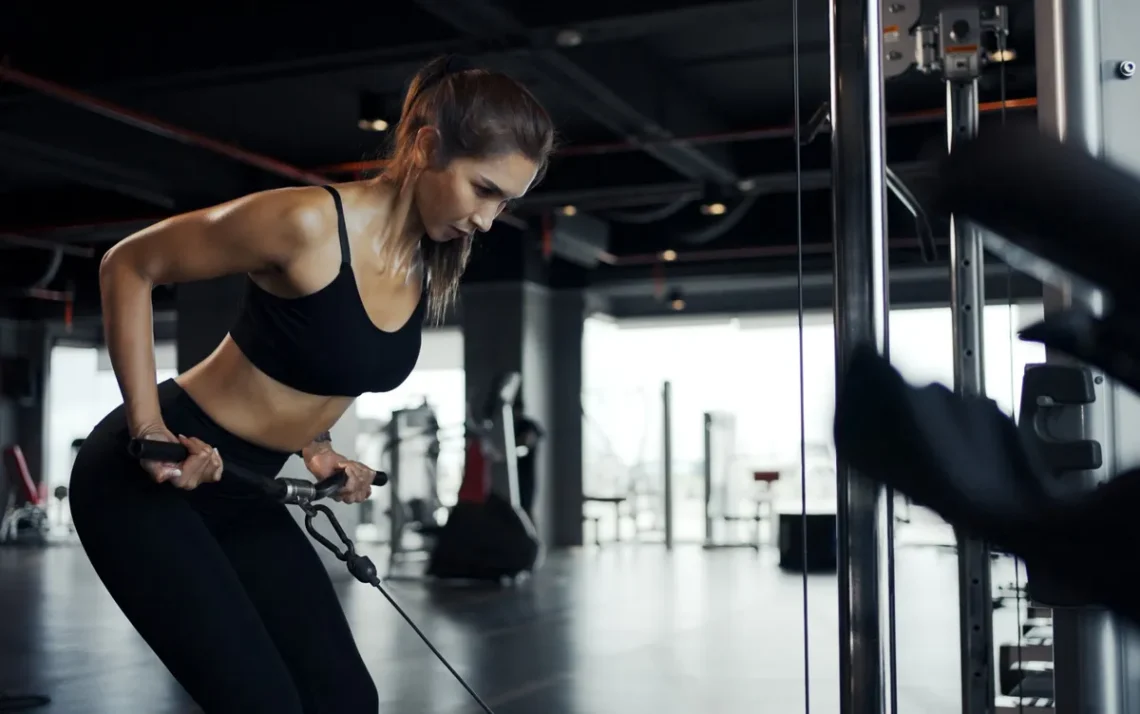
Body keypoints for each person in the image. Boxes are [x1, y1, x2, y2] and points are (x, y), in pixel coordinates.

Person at [67, 55, 555, 714]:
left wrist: (316, 445)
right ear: (426, 144)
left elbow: (317, 359)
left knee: (344, 700)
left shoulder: (421, 261)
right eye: (484, 189)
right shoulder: (306, 224)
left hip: (244, 487)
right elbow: (129, 264)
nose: (489, 219)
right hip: (149, 481)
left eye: (506, 202)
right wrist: (148, 431)